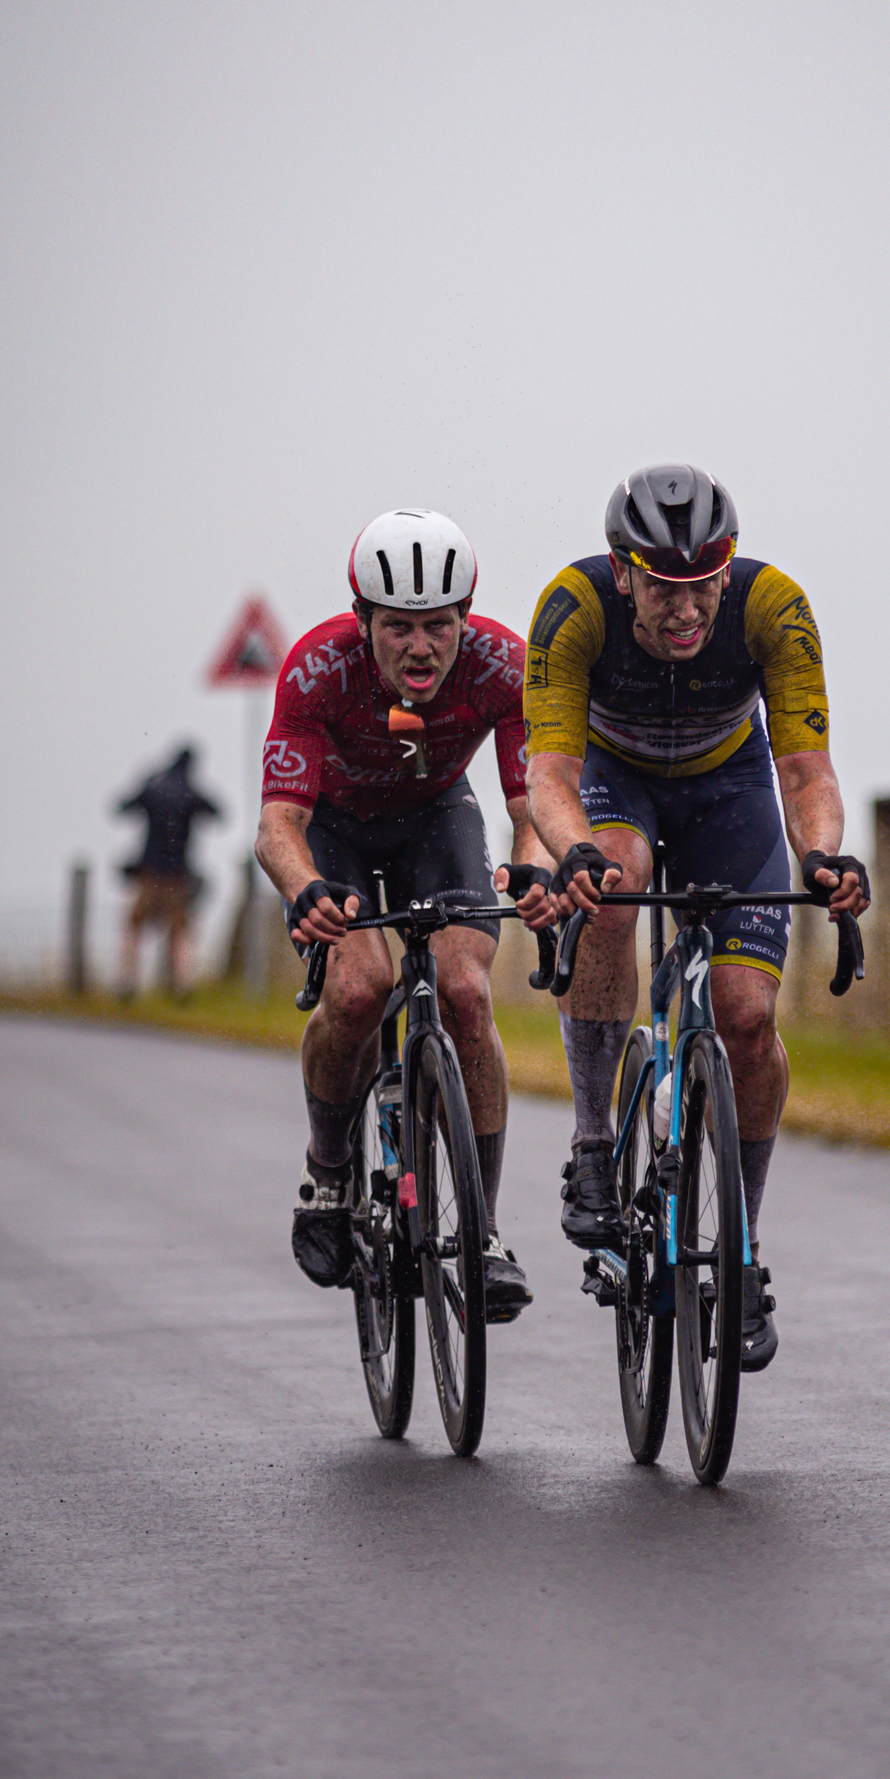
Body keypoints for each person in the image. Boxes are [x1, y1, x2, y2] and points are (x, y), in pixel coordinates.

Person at [519, 464, 870, 1372]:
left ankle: (742, 1250)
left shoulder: (774, 607)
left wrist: (823, 854)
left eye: (705, 586)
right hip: (616, 778)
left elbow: (806, 773)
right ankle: (594, 1142)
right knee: (617, 883)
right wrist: (576, 854)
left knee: (748, 1018)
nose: (687, 611)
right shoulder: (573, 607)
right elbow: (548, 777)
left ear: (729, 570)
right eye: (665, 589)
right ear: (623, 571)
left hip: (731, 787)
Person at [255, 508, 551, 1322]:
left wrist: (530, 858)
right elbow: (277, 827)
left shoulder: (500, 665)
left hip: (435, 819)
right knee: (356, 991)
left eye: (438, 626)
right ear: (362, 623)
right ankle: (328, 1173)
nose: (420, 648)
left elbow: (531, 803)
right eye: (397, 628)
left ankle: (482, 1233)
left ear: (465, 618)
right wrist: (304, 888)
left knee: (466, 992)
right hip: (336, 829)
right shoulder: (317, 670)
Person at [114, 745, 223, 999]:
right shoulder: (190, 792)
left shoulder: (153, 788)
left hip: (148, 874)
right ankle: (182, 985)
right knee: (180, 930)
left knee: (134, 926)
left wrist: (146, 782)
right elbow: (216, 812)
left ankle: (126, 982)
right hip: (178, 877)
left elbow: (122, 807)